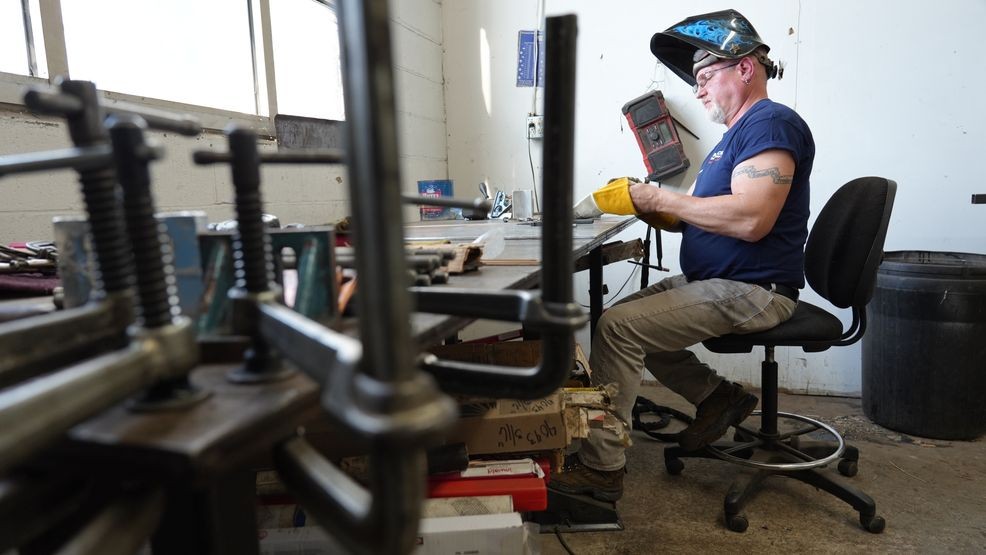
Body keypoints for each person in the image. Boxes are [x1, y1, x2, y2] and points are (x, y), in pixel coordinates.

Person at [550, 9, 815, 502]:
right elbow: (705, 211)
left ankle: (602, 472)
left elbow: (751, 219)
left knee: (618, 330)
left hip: (754, 290)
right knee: (621, 317)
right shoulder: (734, 139)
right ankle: (718, 398)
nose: (697, 91)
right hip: (722, 282)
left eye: (704, 76)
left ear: (745, 68)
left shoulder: (771, 123)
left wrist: (660, 199)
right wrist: (647, 204)